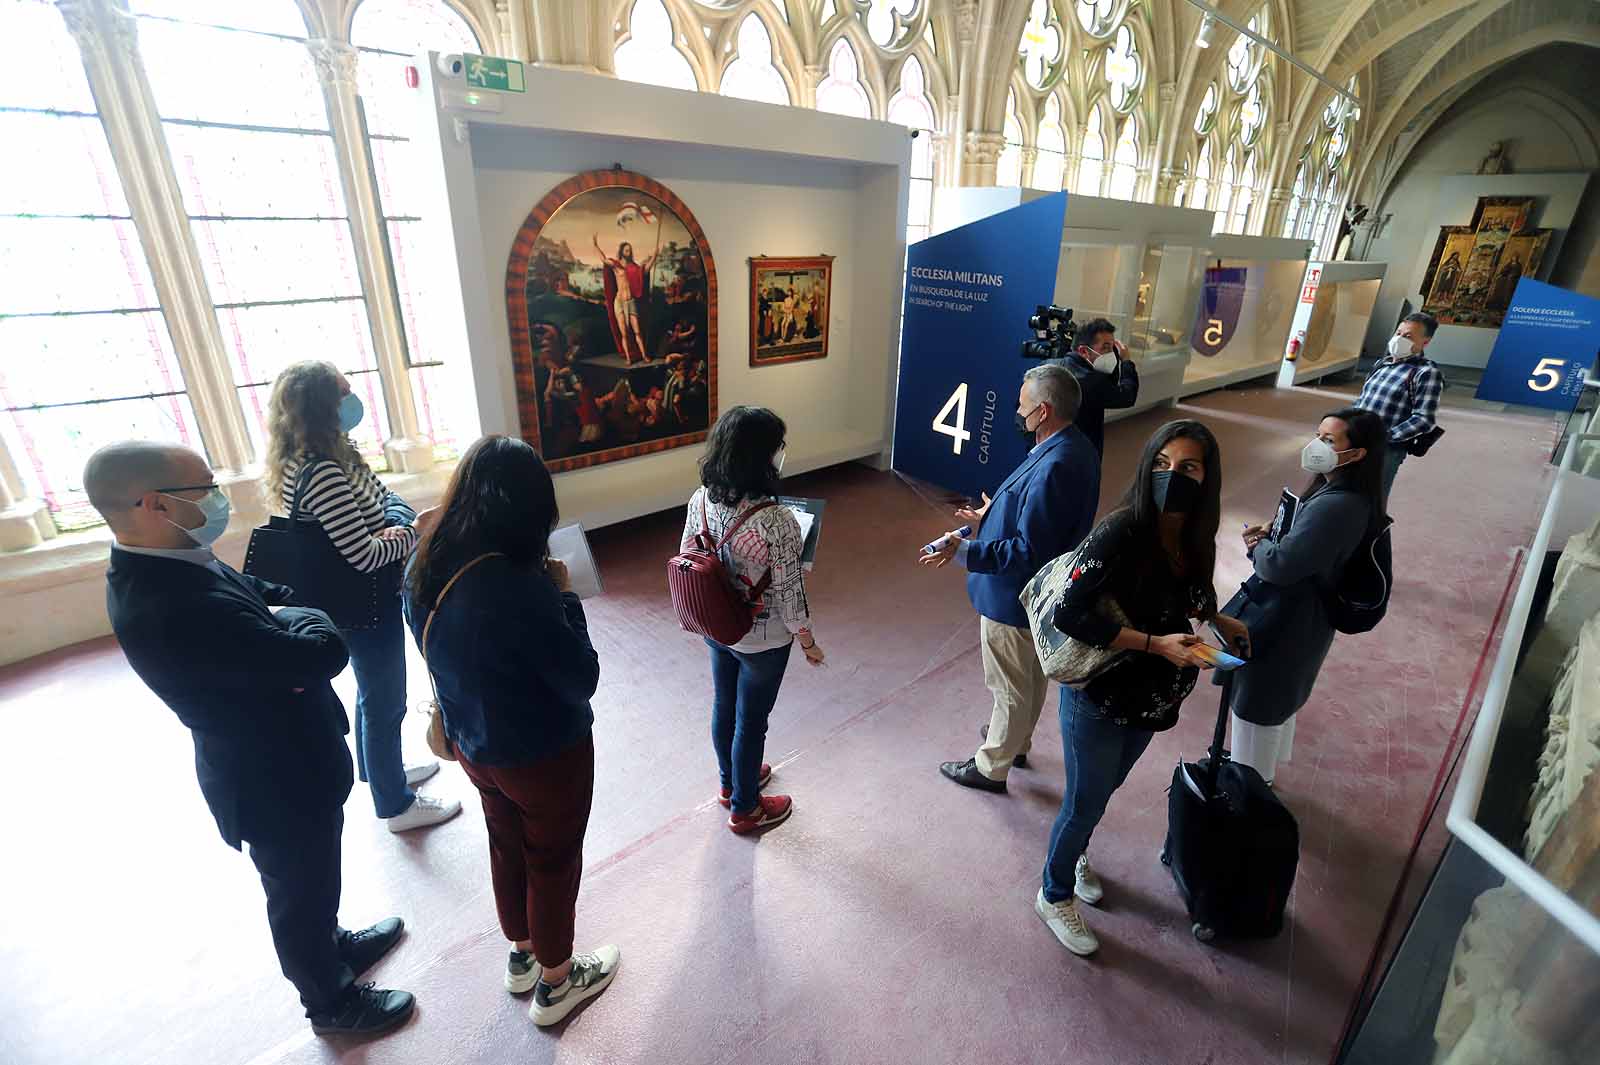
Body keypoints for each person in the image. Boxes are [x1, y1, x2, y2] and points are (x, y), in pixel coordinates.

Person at [87, 441, 415, 1035]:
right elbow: (319, 652)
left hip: (294, 756)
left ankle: (332, 941)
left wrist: (291, 618)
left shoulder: (181, 557)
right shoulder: (164, 603)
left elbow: (278, 599)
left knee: (314, 878)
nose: (217, 500)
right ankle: (331, 1003)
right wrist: (302, 622)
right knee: (295, 892)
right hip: (269, 779)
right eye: (203, 489)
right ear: (155, 503)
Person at [402, 436, 620, 1027]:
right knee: (552, 857)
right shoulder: (522, 588)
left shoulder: (426, 563)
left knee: (505, 841)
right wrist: (566, 597)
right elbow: (581, 679)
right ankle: (556, 981)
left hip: (472, 743)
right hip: (544, 752)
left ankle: (521, 955)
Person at [1035, 421, 1248, 957]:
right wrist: (1155, 645)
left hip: (1153, 697)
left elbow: (1191, 596)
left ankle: (1075, 852)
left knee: (1102, 791)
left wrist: (1220, 619)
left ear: (1207, 477)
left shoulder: (1196, 535)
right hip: (1101, 694)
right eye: (1161, 464)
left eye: (1188, 468)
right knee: (1084, 801)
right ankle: (1054, 892)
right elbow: (1070, 612)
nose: (1171, 476)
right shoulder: (1122, 530)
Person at [265, 361, 460, 833]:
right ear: (324, 406)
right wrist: (413, 530)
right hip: (361, 604)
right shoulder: (324, 470)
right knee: (385, 700)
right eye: (344, 392)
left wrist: (396, 519)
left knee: (373, 695)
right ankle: (394, 804)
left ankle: (378, 772)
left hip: (354, 600)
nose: (354, 399)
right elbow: (366, 555)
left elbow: (386, 497)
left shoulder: (335, 455)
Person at [922, 364, 1100, 793]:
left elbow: (1027, 550)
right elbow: (1038, 514)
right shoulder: (1072, 447)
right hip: (1037, 591)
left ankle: (991, 765)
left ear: (1044, 410)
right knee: (1028, 675)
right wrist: (993, 511)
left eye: (1023, 405)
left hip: (1013, 594)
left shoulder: (1056, 465)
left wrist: (962, 550)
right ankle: (1016, 741)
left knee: (1008, 682)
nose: (1017, 411)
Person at [682, 406, 825, 834]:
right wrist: (807, 641)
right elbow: (790, 593)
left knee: (724, 705)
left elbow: (688, 553)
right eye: (778, 447)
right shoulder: (778, 520)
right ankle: (746, 808)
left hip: (716, 624)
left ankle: (730, 785)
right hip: (762, 640)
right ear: (762, 455)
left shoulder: (700, 498)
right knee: (752, 721)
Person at [1229, 409, 1386, 785]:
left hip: (1288, 618)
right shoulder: (1336, 493)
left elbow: (1280, 566)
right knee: (1279, 699)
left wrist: (1261, 546)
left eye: (1330, 441)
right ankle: (1261, 770)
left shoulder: (1337, 505)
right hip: (1303, 617)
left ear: (1358, 453)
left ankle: (1250, 785)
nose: (1317, 446)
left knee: (1259, 704)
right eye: (1319, 435)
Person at [1354, 311, 1443, 502]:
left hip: (1385, 449)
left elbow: (1424, 419)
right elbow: (1362, 400)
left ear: (1425, 343)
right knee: (1345, 492)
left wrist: (1386, 437)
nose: (1399, 339)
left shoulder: (1426, 373)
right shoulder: (1382, 364)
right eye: (1398, 333)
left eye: (1408, 336)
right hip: (1356, 439)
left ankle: (1370, 531)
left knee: (1371, 500)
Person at [1053, 317, 1139, 457]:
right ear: (1084, 351)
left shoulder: (1051, 366)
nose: (1111, 354)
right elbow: (1128, 396)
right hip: (1081, 455)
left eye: (1112, 348)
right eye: (1106, 347)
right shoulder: (1092, 382)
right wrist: (1126, 363)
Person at [592, 236, 655, 365]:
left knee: (637, 331)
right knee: (624, 333)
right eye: (627, 250)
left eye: (630, 250)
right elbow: (604, 259)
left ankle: (644, 356)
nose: (629, 253)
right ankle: (628, 358)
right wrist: (595, 245)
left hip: (631, 302)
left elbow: (646, 270)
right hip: (619, 303)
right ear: (622, 252)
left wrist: (654, 256)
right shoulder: (616, 266)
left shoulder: (634, 268)